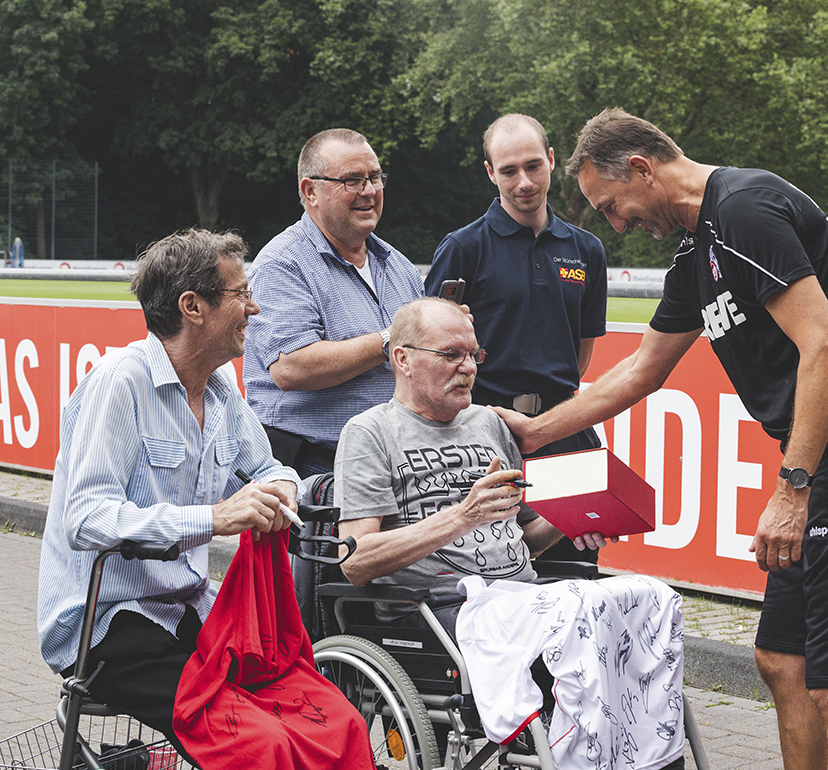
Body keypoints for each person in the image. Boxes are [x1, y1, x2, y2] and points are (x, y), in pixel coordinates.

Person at [496, 109, 828, 770]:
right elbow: (641, 371)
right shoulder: (697, 255)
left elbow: (827, 350)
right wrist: (533, 431)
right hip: (825, 462)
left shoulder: (747, 210)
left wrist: (793, 490)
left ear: (643, 168)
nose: (616, 225)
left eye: (612, 205)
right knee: (783, 661)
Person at [333, 297, 687, 770]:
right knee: (584, 608)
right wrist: (462, 517)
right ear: (403, 358)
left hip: (521, 598)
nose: (468, 368)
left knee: (649, 597)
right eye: (451, 355)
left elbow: (523, 539)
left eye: (474, 355)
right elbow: (355, 561)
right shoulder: (370, 433)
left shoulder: (488, 424)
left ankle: (649, 757)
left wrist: (572, 520)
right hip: (442, 611)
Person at [38, 229, 303, 760]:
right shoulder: (121, 381)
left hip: (185, 609)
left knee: (298, 706)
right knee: (254, 736)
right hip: (103, 626)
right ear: (192, 306)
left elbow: (272, 469)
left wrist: (283, 491)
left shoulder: (223, 390)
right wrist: (214, 517)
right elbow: (87, 518)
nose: (253, 307)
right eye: (240, 294)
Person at [425, 113, 608, 562]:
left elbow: (580, 359)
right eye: (508, 171)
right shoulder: (463, 248)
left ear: (550, 161)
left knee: (575, 569)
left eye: (533, 166)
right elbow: (429, 354)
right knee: (500, 573)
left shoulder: (586, 249)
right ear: (491, 173)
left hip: (567, 431)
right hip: (487, 436)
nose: (523, 182)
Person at [243, 128, 424, 478]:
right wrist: (393, 339)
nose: (369, 191)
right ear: (310, 191)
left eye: (375, 177)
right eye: (353, 180)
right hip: (309, 470)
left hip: (391, 463)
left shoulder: (398, 265)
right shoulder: (283, 264)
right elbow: (291, 367)